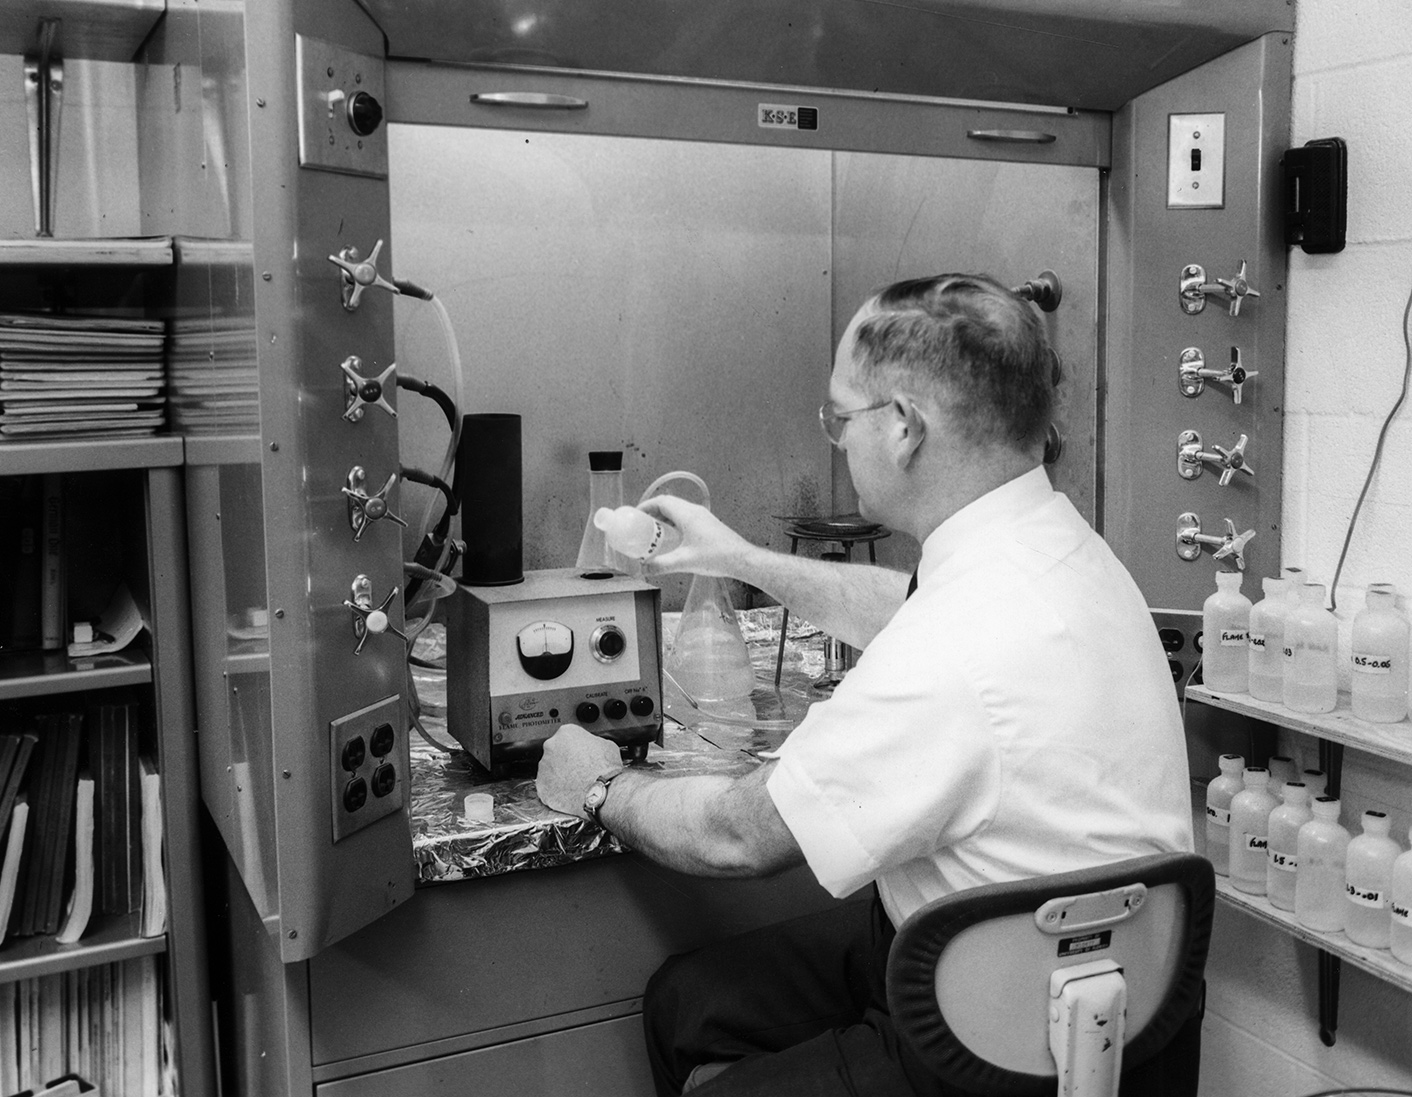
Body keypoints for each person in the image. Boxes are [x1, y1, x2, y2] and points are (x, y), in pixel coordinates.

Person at [535, 273, 1196, 1096]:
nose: (836, 439)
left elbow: (736, 837)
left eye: (839, 418)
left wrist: (598, 784)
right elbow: (909, 605)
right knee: (689, 1003)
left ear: (906, 428)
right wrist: (736, 558)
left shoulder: (946, 657)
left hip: (995, 1046)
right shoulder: (1066, 552)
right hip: (1100, 1000)